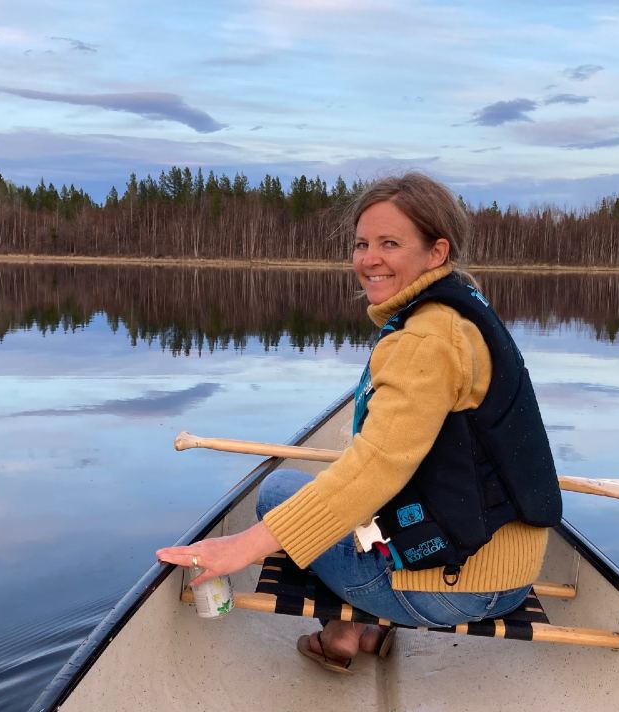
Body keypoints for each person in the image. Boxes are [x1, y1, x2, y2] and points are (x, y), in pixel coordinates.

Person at [157, 173, 559, 672]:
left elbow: (375, 469)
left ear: (437, 252)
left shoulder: (423, 341)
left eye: (390, 243)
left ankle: (344, 628)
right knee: (348, 504)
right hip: (512, 573)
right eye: (362, 243)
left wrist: (239, 548)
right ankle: (356, 630)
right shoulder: (465, 314)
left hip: (458, 592)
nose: (369, 259)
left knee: (280, 490)